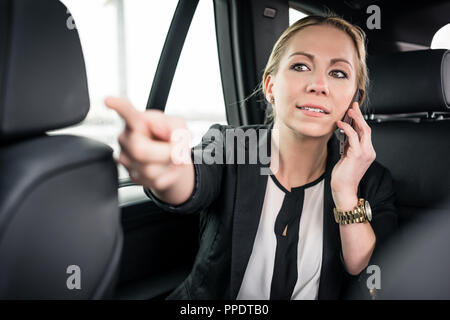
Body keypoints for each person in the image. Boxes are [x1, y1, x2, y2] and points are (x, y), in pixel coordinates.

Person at [105, 15, 397, 300]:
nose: (319, 84)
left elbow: (365, 270)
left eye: (338, 73)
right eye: (300, 66)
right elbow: (192, 177)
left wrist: (345, 192)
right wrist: (168, 167)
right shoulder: (232, 144)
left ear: (353, 101)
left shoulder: (371, 180)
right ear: (271, 87)